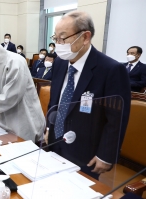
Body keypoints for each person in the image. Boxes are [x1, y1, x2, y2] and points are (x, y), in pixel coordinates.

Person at [46, 11, 130, 180]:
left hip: (85, 152)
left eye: (63, 38)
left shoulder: (110, 70)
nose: (58, 44)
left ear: (85, 37)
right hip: (55, 144)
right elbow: (54, 100)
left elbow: (116, 119)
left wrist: (106, 154)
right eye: (56, 38)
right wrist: (50, 127)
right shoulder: (60, 64)